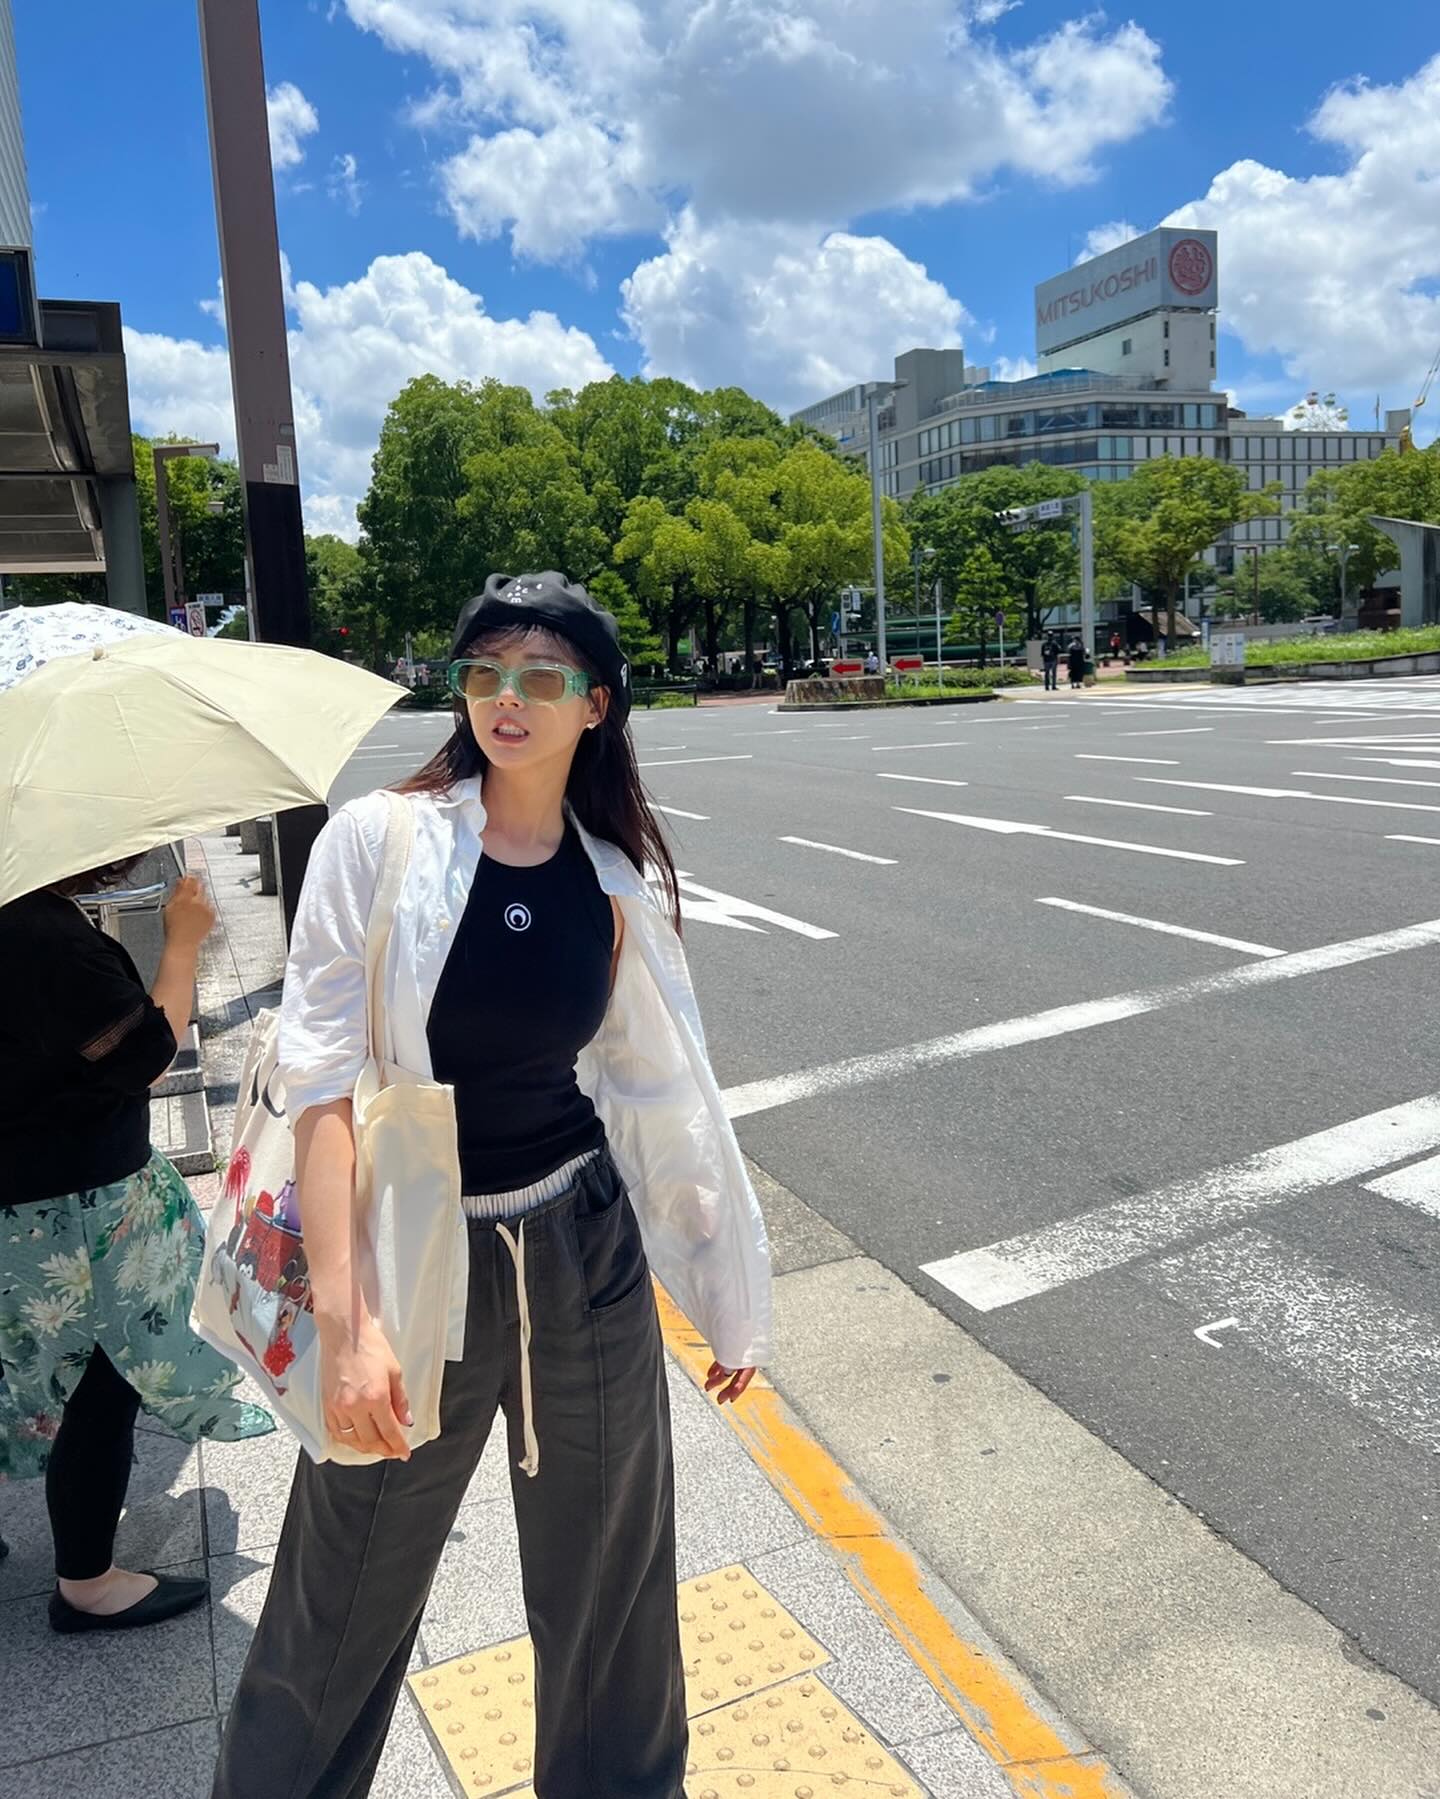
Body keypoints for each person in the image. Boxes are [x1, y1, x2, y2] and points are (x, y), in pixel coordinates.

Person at [213, 572, 771, 1799]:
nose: (504, 699)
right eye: (482, 673)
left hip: (582, 1248)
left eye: (539, 677)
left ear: (595, 705)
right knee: (343, 1580)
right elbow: (320, 1084)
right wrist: (352, 1329)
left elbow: (655, 1094)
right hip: (416, 1256)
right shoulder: (379, 838)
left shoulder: (611, 877)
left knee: (613, 1578)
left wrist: (727, 1289)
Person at [0, 861, 271, 1633]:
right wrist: (182, 942)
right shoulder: (39, 934)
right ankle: (88, 1581)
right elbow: (144, 1053)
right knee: (102, 1378)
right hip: (65, 1204)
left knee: (13, 1365)